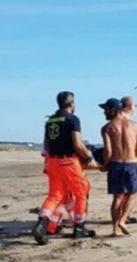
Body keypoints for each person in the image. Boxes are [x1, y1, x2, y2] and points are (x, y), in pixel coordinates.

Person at [33, 91, 95, 245]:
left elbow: (46, 144)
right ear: (72, 104)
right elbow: (78, 144)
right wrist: (88, 158)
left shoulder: (50, 120)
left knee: (55, 195)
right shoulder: (72, 119)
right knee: (81, 192)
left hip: (53, 162)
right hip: (68, 162)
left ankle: (41, 224)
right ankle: (79, 227)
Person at [100, 98, 137, 237]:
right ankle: (123, 220)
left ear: (113, 110)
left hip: (115, 164)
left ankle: (115, 229)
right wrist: (131, 156)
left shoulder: (107, 127)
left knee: (117, 197)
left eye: (105, 109)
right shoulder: (135, 125)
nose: (104, 112)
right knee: (132, 193)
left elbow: (108, 151)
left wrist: (105, 165)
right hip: (130, 163)